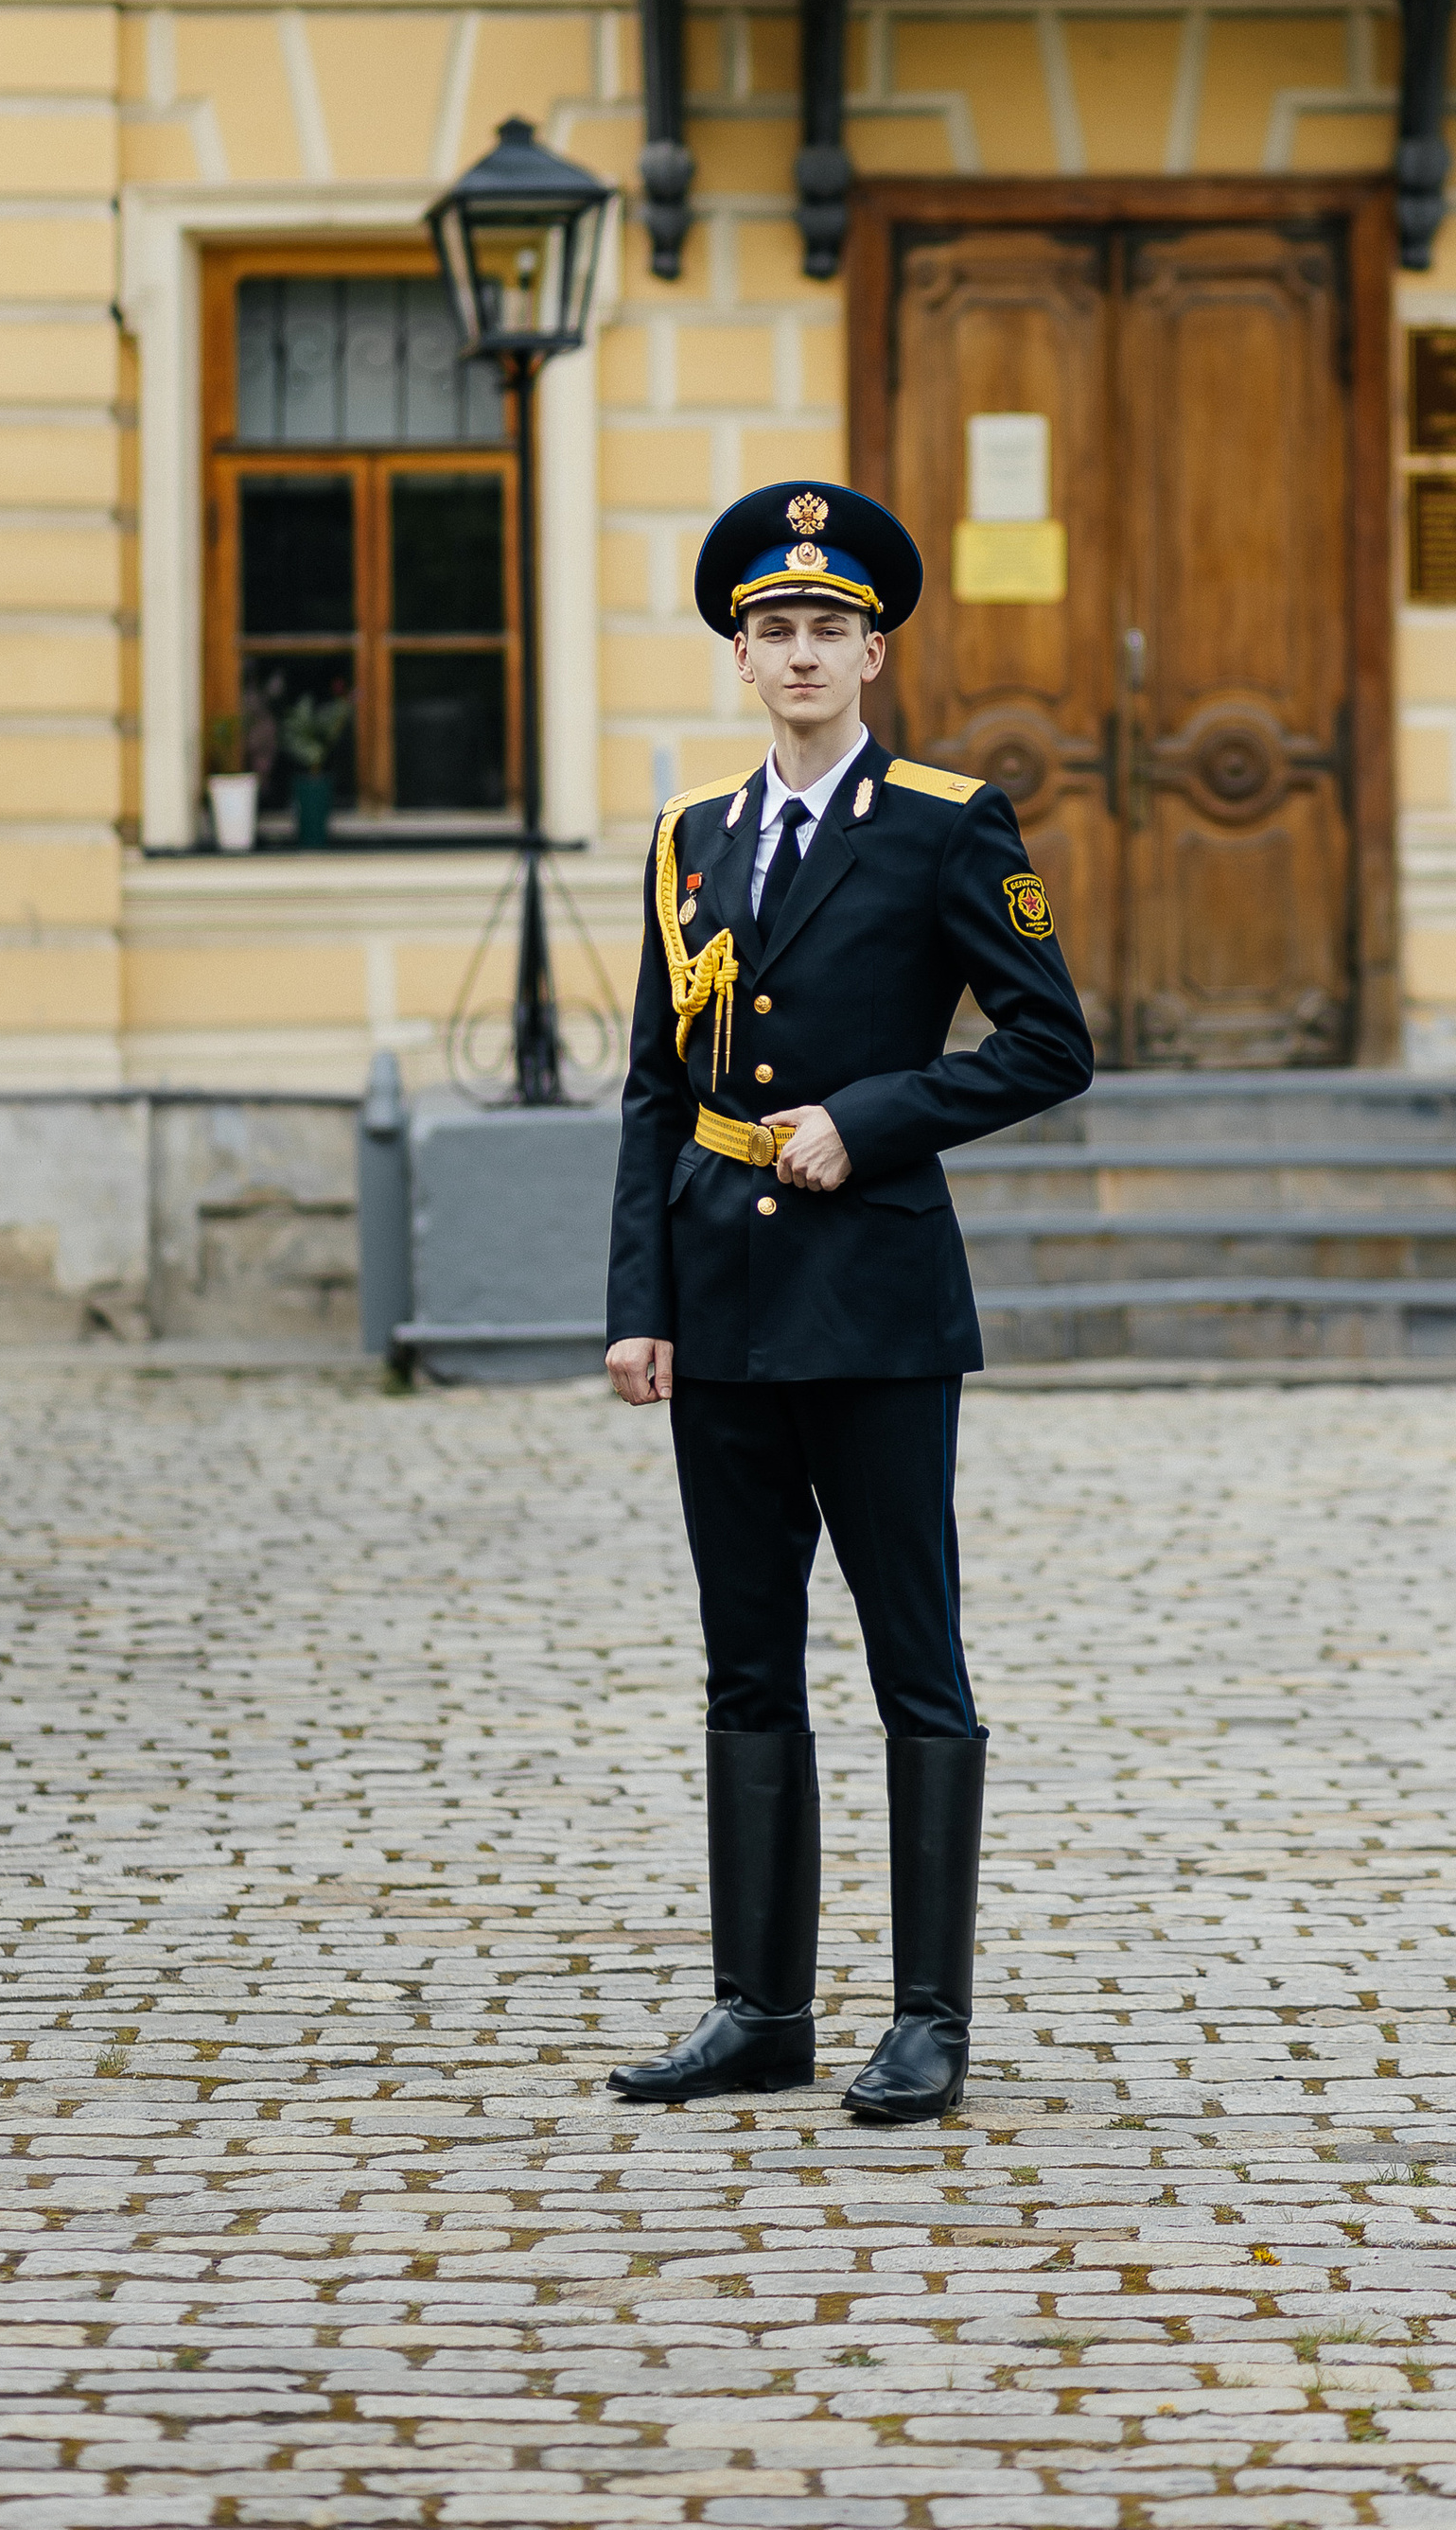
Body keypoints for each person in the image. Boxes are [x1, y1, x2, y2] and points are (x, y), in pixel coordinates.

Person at [603, 478, 1093, 2120]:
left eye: (827, 627)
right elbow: (653, 1091)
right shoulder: (691, 838)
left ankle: (929, 2018)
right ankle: (759, 2009)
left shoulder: (951, 822)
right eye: (771, 628)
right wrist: (638, 1302)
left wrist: (867, 1118)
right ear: (741, 659)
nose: (799, 652)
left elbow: (1047, 1044)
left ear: (873, 652)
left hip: (875, 1305)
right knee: (747, 1661)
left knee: (911, 1661)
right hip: (723, 1307)